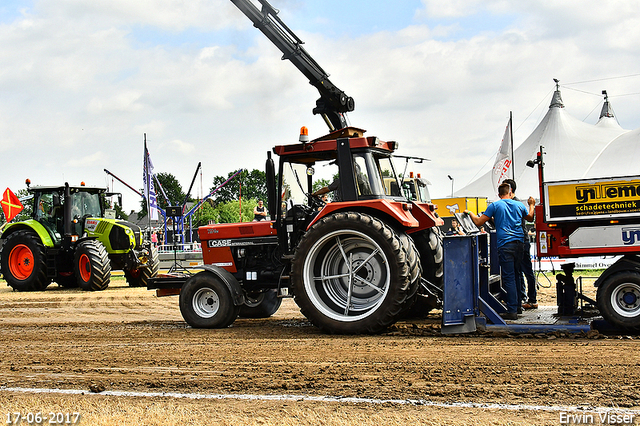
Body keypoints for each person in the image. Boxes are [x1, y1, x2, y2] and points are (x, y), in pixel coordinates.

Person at [466, 182, 535, 320]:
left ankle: (512, 311)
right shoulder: (519, 205)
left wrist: (471, 213)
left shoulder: (495, 205)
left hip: (505, 245)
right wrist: (531, 204)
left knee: (508, 277)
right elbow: (530, 217)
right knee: (517, 275)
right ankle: (518, 307)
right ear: (510, 192)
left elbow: (479, 222)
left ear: (498, 194)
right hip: (520, 244)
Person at [503, 179, 537, 310]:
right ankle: (523, 297)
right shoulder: (517, 203)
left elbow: (529, 217)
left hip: (520, 241)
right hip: (521, 241)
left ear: (509, 190)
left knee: (525, 271)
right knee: (521, 272)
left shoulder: (513, 203)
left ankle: (530, 299)